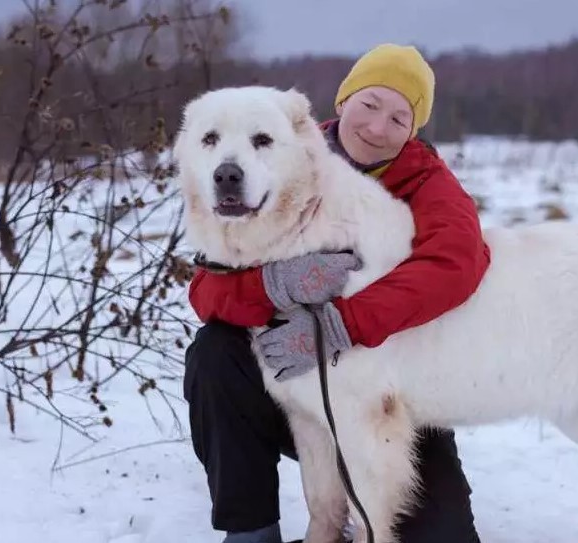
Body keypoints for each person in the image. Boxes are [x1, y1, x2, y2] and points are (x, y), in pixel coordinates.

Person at [183, 43, 490, 543]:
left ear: (413, 130)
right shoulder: (281, 156)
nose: (377, 127)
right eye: (370, 104)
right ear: (343, 100)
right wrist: (274, 284)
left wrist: (340, 325)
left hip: (393, 397)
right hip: (290, 384)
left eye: (399, 118)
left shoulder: (428, 183)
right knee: (215, 352)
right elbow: (207, 292)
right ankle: (250, 530)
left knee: (443, 537)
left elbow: (456, 266)